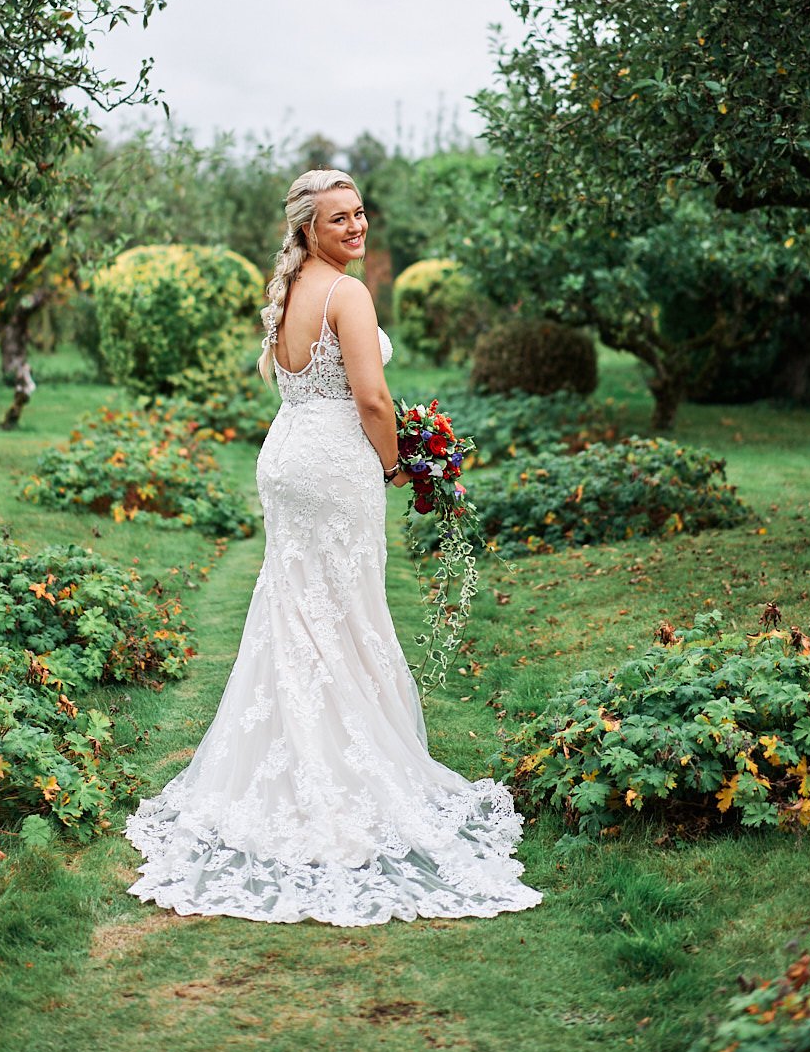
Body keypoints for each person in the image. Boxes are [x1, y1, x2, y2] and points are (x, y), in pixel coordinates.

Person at [125, 169, 542, 925]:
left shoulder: (290, 288)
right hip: (333, 463)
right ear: (309, 228)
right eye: (340, 219)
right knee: (344, 610)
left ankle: (284, 767)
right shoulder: (347, 294)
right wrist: (394, 459)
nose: (356, 228)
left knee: (296, 610)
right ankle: (343, 783)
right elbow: (373, 398)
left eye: (361, 215)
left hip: (287, 454)